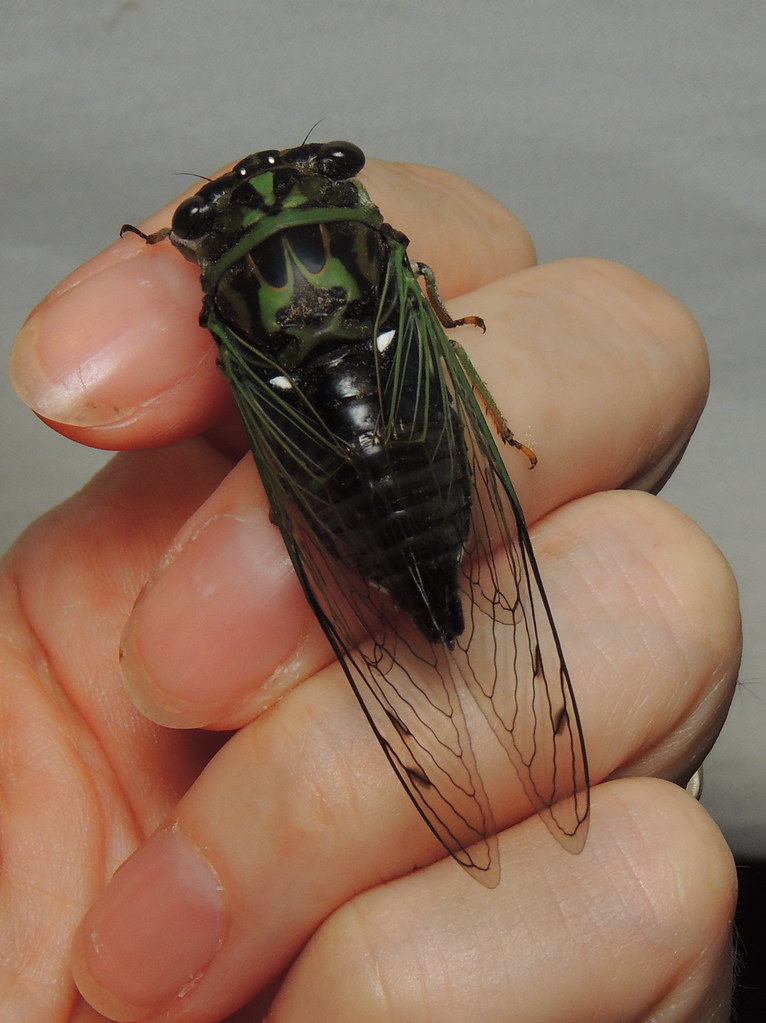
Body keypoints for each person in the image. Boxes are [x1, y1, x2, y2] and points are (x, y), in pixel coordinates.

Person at [4, 156, 740, 1023]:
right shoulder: (381, 249)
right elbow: (427, 300)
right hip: (419, 456)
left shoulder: (230, 297)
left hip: (335, 483)